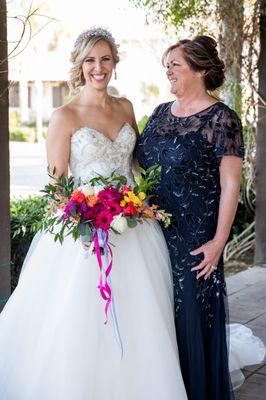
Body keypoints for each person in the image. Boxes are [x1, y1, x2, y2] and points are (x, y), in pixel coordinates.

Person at [0, 28, 188, 400]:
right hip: (84, 235)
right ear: (79, 65)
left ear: (115, 64)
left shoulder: (126, 108)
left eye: (105, 59)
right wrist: (85, 219)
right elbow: (56, 187)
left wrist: (139, 201)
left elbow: (134, 165)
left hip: (134, 228)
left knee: (142, 316)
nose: (98, 68)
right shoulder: (64, 115)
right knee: (80, 318)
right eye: (90, 60)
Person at [137, 36, 265, 400]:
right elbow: (141, 167)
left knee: (192, 318)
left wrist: (218, 241)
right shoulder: (161, 112)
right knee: (159, 315)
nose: (168, 71)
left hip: (196, 237)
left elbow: (230, 184)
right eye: (168, 65)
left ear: (201, 70)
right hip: (152, 232)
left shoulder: (222, 118)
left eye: (175, 64)